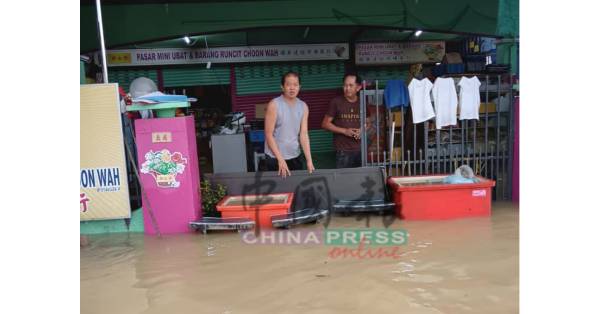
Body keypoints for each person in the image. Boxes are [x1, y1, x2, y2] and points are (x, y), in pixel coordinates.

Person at [264, 71, 315, 177]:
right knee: (277, 191)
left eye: (295, 85)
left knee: (296, 189)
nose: (292, 88)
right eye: (288, 84)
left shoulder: (303, 106)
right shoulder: (274, 105)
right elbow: (268, 134)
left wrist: (309, 160)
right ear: (282, 87)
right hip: (275, 157)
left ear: (299, 87)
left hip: (295, 156)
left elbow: (304, 134)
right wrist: (280, 159)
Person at [321, 72, 363, 168]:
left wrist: (362, 130)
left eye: (350, 85)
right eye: (345, 85)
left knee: (359, 180)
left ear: (358, 87)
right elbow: (325, 124)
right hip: (343, 151)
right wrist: (345, 131)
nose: (347, 88)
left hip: (360, 149)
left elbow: (368, 122)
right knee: (343, 181)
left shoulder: (362, 102)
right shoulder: (336, 102)